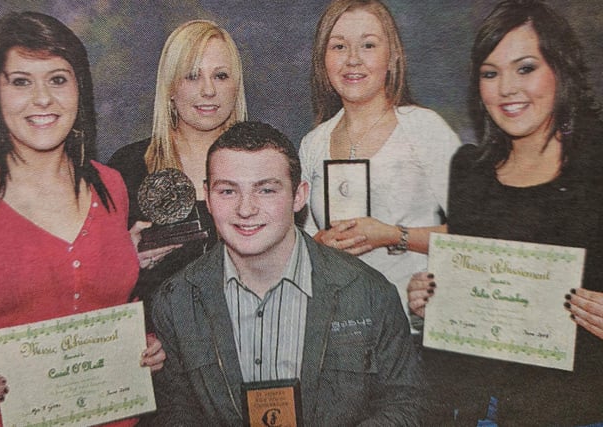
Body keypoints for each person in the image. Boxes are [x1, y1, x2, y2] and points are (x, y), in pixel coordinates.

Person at [150, 121, 425, 425]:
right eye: (228, 191)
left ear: (299, 196)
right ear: (208, 197)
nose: (245, 209)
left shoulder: (368, 293)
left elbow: (405, 404)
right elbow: (174, 412)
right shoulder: (175, 302)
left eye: (266, 190)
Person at [0, 12, 164, 427]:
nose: (42, 99)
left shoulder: (111, 186)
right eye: (21, 81)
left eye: (57, 79)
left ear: (79, 89)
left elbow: (108, 303)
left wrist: (140, 347)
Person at [407, 0, 603, 424]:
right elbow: (469, 291)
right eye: (490, 73)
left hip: (579, 411)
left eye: (525, 68)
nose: (507, 88)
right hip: (480, 412)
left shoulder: (599, 167)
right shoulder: (468, 171)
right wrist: (434, 298)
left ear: (561, 68)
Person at [299, 0, 460, 327]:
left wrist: (392, 235)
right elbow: (302, 245)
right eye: (339, 46)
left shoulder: (424, 128)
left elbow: (476, 236)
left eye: (368, 45)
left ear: (393, 56)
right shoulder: (313, 143)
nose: (353, 59)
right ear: (323, 60)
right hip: (337, 332)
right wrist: (320, 244)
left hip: (411, 331)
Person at [108, 20, 247, 328]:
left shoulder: (262, 163)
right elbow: (99, 286)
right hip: (158, 357)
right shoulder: (127, 168)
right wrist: (124, 262)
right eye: (192, 76)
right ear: (170, 87)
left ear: (235, 86)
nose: (208, 90)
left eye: (220, 76)